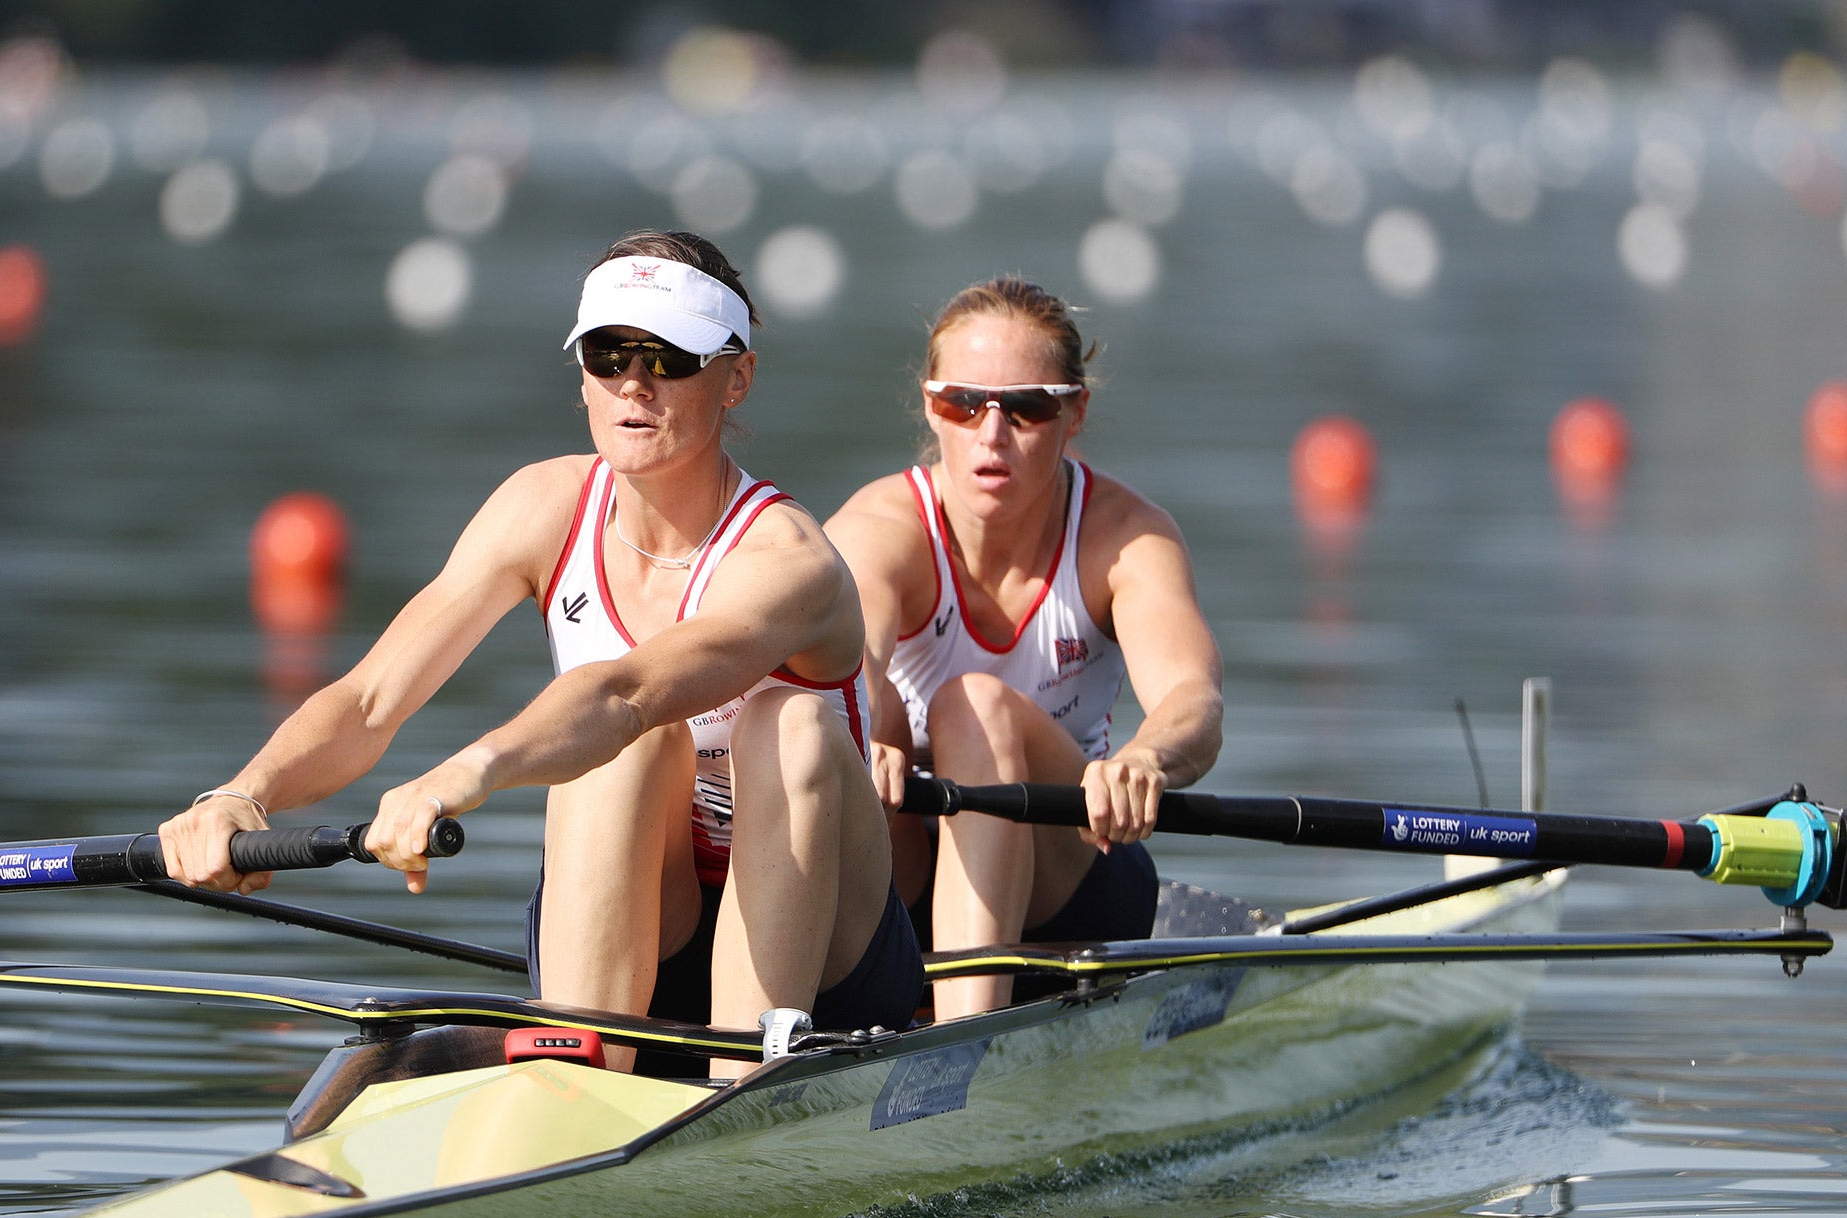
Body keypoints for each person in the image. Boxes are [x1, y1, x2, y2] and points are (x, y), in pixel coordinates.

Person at [159, 230, 922, 1072]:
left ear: (736, 376)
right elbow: (372, 699)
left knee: (786, 722)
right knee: (618, 757)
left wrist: (468, 772)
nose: (634, 383)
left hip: (832, 957)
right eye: (607, 354)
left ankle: (743, 1085)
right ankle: (577, 1082)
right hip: (647, 918)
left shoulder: (789, 560)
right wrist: (242, 794)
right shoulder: (541, 506)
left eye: (669, 357)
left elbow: (626, 692)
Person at [827, 277, 1223, 1020]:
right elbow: (844, 663)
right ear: (929, 403)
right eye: (963, 402)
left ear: (1075, 411)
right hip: (909, 883)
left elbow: (1194, 701)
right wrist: (849, 726)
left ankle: (964, 1041)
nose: (991, 435)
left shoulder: (1126, 537)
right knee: (860, 708)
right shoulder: (881, 529)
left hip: (1076, 886)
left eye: (1029, 407)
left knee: (972, 705)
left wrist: (1145, 759)